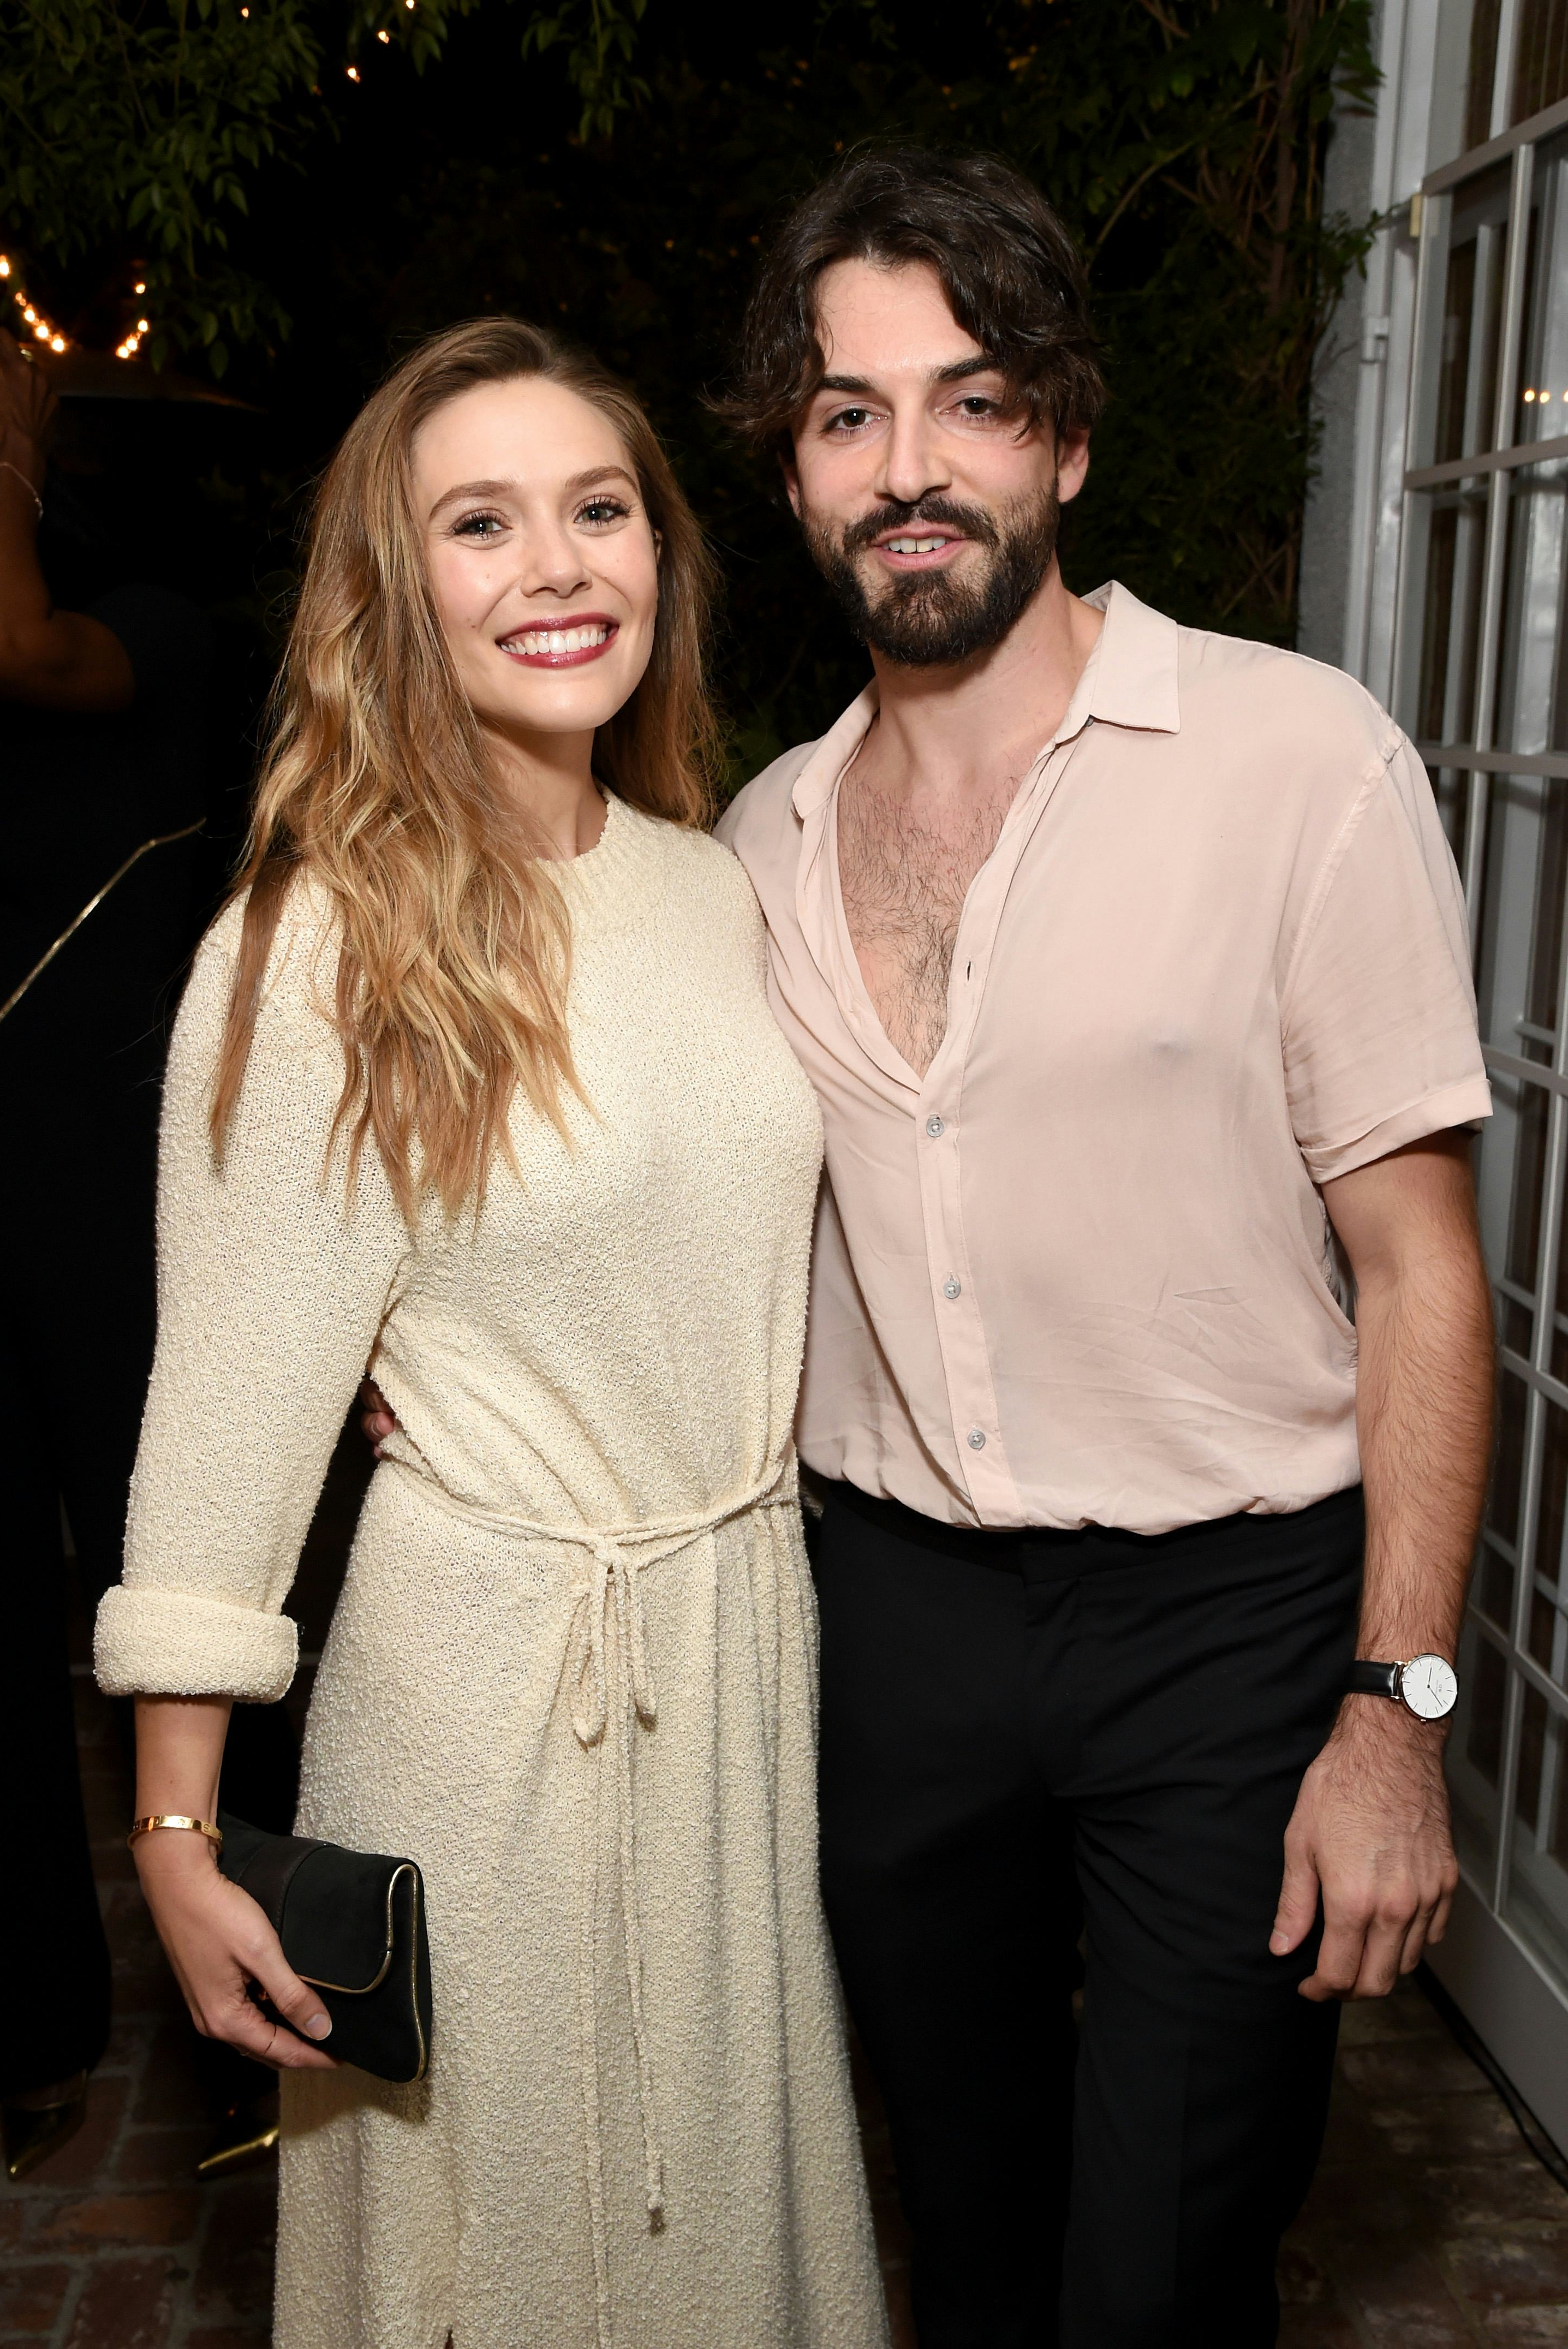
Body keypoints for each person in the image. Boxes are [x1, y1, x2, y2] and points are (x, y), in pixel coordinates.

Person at [710, 150, 1496, 2348]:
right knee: (956, 2230)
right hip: (898, 1616)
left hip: (1235, 1627)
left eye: (968, 403)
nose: (910, 468)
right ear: (794, 474)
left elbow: (1428, 1274)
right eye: (849, 415)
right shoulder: (756, 836)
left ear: (1062, 435)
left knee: (1157, 2261)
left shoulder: (1293, 758)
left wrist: (1396, 1709)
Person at [93, 317, 887, 2349]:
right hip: (483, 1708)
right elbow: (227, 1422)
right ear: (394, 591)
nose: (557, 566)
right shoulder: (318, 945)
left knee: (715, 2245)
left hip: (730, 1663)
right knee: (501, 2264)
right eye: (482, 522)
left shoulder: (710, 889)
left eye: (597, 509)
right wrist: (176, 1834)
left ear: (660, 556)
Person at [0, 326, 215, 2175]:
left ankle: (256, 2021)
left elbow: (15, 644)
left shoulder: (160, 606)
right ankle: (28, 2025)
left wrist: (5, 445)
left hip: (102, 1188)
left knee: (171, 1598)